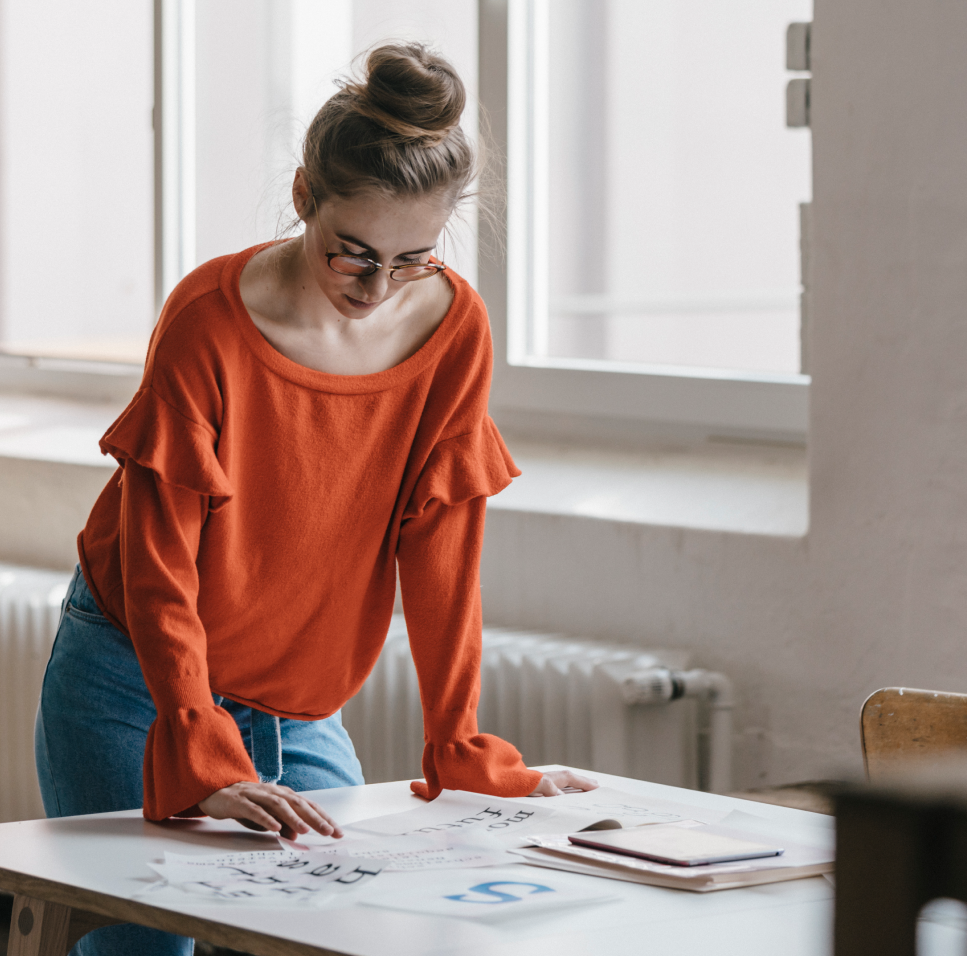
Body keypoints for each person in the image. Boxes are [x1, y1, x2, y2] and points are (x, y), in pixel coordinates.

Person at [34, 41, 597, 956]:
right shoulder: (208, 321)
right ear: (304, 198)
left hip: (298, 701)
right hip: (135, 677)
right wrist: (195, 740)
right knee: (142, 950)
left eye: (412, 259)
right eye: (353, 256)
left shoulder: (455, 330)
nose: (377, 291)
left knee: (335, 937)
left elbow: (444, 549)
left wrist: (456, 742)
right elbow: (161, 560)